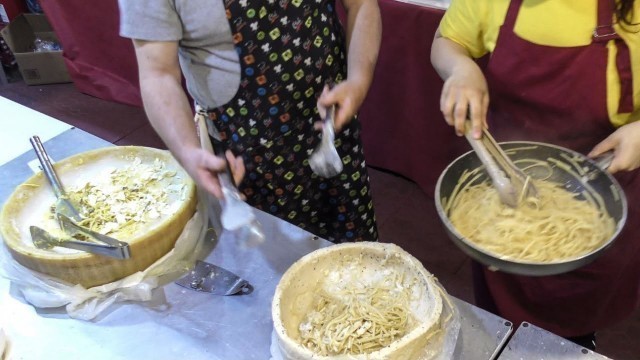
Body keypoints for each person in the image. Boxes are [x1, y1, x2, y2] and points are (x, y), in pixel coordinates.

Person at [431, 0, 640, 350]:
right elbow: (446, 40)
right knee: (501, 313)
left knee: (571, 326)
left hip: (605, 192)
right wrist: (460, 68)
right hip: (502, 192)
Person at [118, 0, 381, 243]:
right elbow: (158, 74)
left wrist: (358, 79)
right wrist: (187, 150)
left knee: (354, 265)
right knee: (273, 272)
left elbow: (362, 4)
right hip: (245, 157)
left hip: (331, 133)